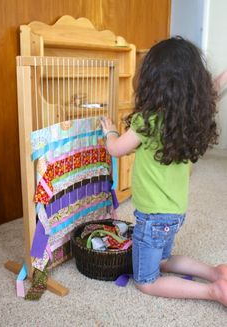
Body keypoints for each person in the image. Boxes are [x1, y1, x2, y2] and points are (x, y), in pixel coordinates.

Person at [101, 36, 227, 306]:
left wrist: (109, 130)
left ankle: (213, 291)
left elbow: (115, 149)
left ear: (153, 83)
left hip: (152, 218)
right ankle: (214, 271)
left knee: (147, 281)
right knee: (164, 260)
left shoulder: (146, 122)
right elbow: (214, 90)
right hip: (175, 213)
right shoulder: (192, 118)